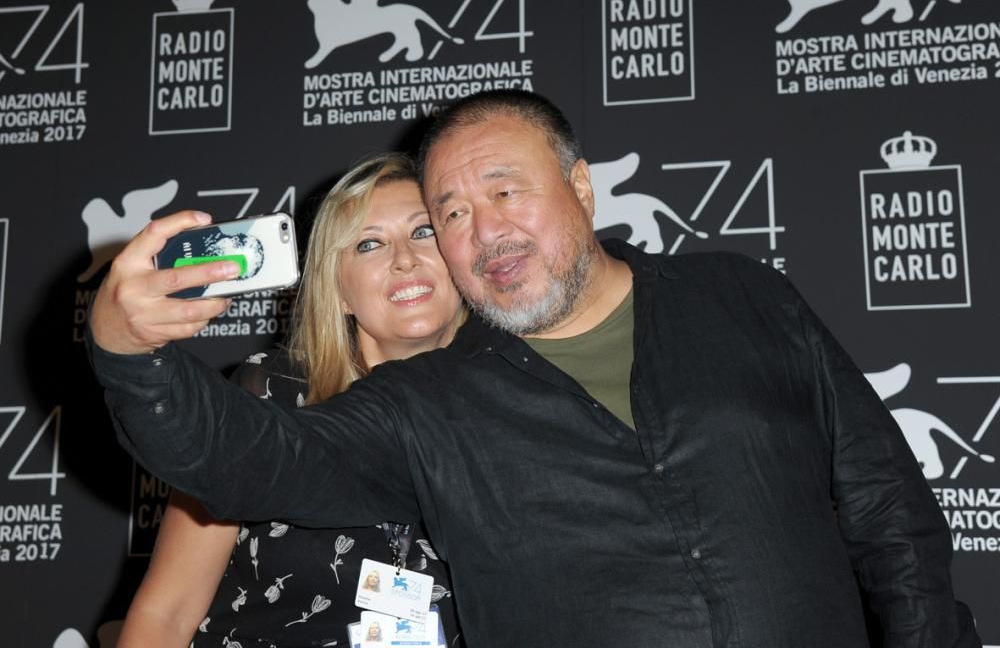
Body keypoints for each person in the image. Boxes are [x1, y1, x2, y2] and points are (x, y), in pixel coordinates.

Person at [89, 90, 982, 648]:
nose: (484, 230)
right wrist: (129, 347)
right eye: (453, 212)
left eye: (505, 190)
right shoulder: (432, 401)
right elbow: (252, 457)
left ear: (581, 188)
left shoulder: (744, 297)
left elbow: (890, 514)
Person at [113, 154, 466, 648]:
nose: (404, 258)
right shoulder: (269, 394)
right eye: (369, 244)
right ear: (338, 291)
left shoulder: (511, 409)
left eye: (423, 231)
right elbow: (166, 614)